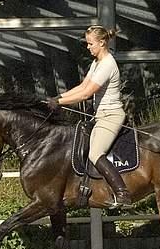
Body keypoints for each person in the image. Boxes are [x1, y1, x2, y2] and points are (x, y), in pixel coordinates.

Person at [46, 25, 132, 209]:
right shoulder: (96, 63)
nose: (88, 47)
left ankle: (122, 193)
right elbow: (82, 87)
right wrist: (58, 98)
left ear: (101, 43)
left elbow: (86, 94)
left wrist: (60, 103)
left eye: (90, 43)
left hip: (111, 116)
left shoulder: (108, 64)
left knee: (95, 153)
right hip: (100, 117)